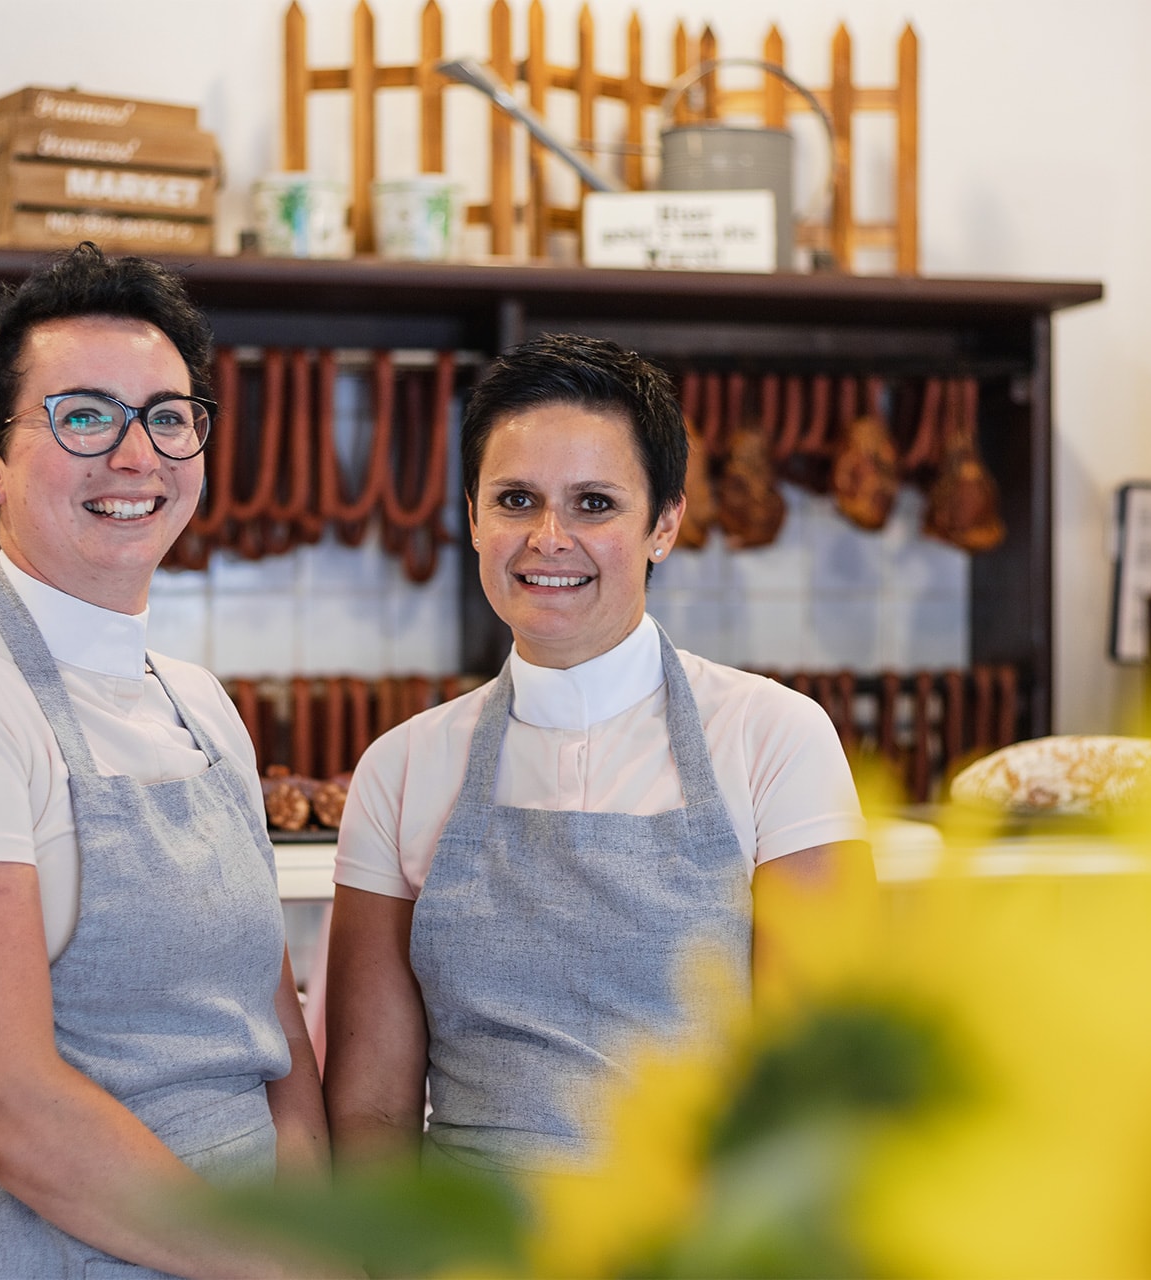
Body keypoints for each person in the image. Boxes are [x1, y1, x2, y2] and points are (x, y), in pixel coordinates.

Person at [0, 244, 326, 1278]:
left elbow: (271, 1029)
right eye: (83, 415)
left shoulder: (201, 705)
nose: (137, 454)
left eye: (169, 415)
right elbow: (9, 1104)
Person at [323, 334, 871, 1174]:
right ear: (472, 517)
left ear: (664, 523)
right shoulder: (399, 769)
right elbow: (371, 1106)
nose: (549, 537)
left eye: (593, 504)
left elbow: (817, 1087)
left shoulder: (775, 738)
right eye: (515, 500)